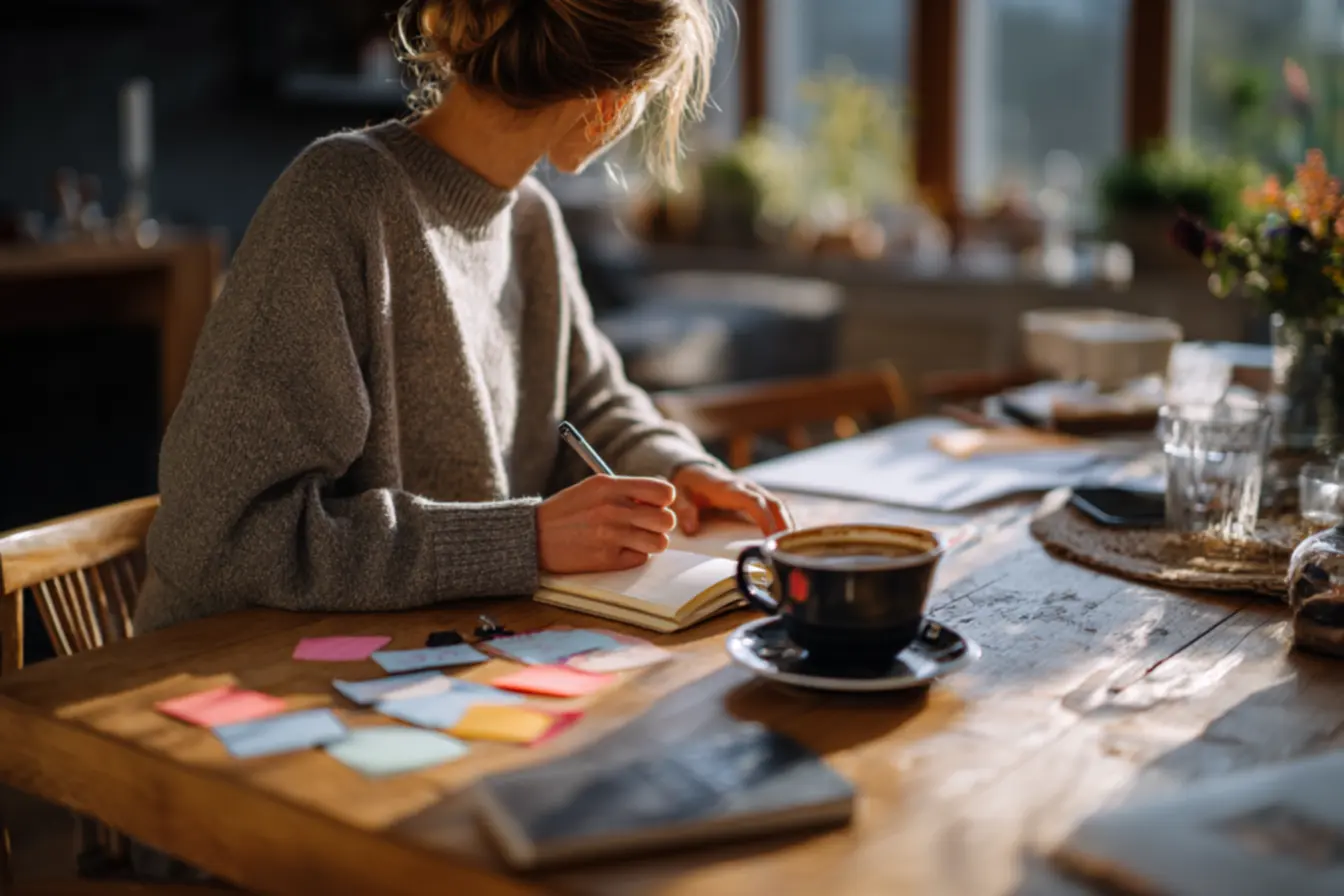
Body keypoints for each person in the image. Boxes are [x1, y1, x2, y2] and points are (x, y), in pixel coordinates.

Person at [133, 0, 792, 635]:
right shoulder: (339, 198)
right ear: (611, 103)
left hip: (429, 657)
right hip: (228, 686)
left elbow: (591, 405)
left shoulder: (532, 221)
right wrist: (522, 540)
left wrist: (679, 471)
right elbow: (223, 539)